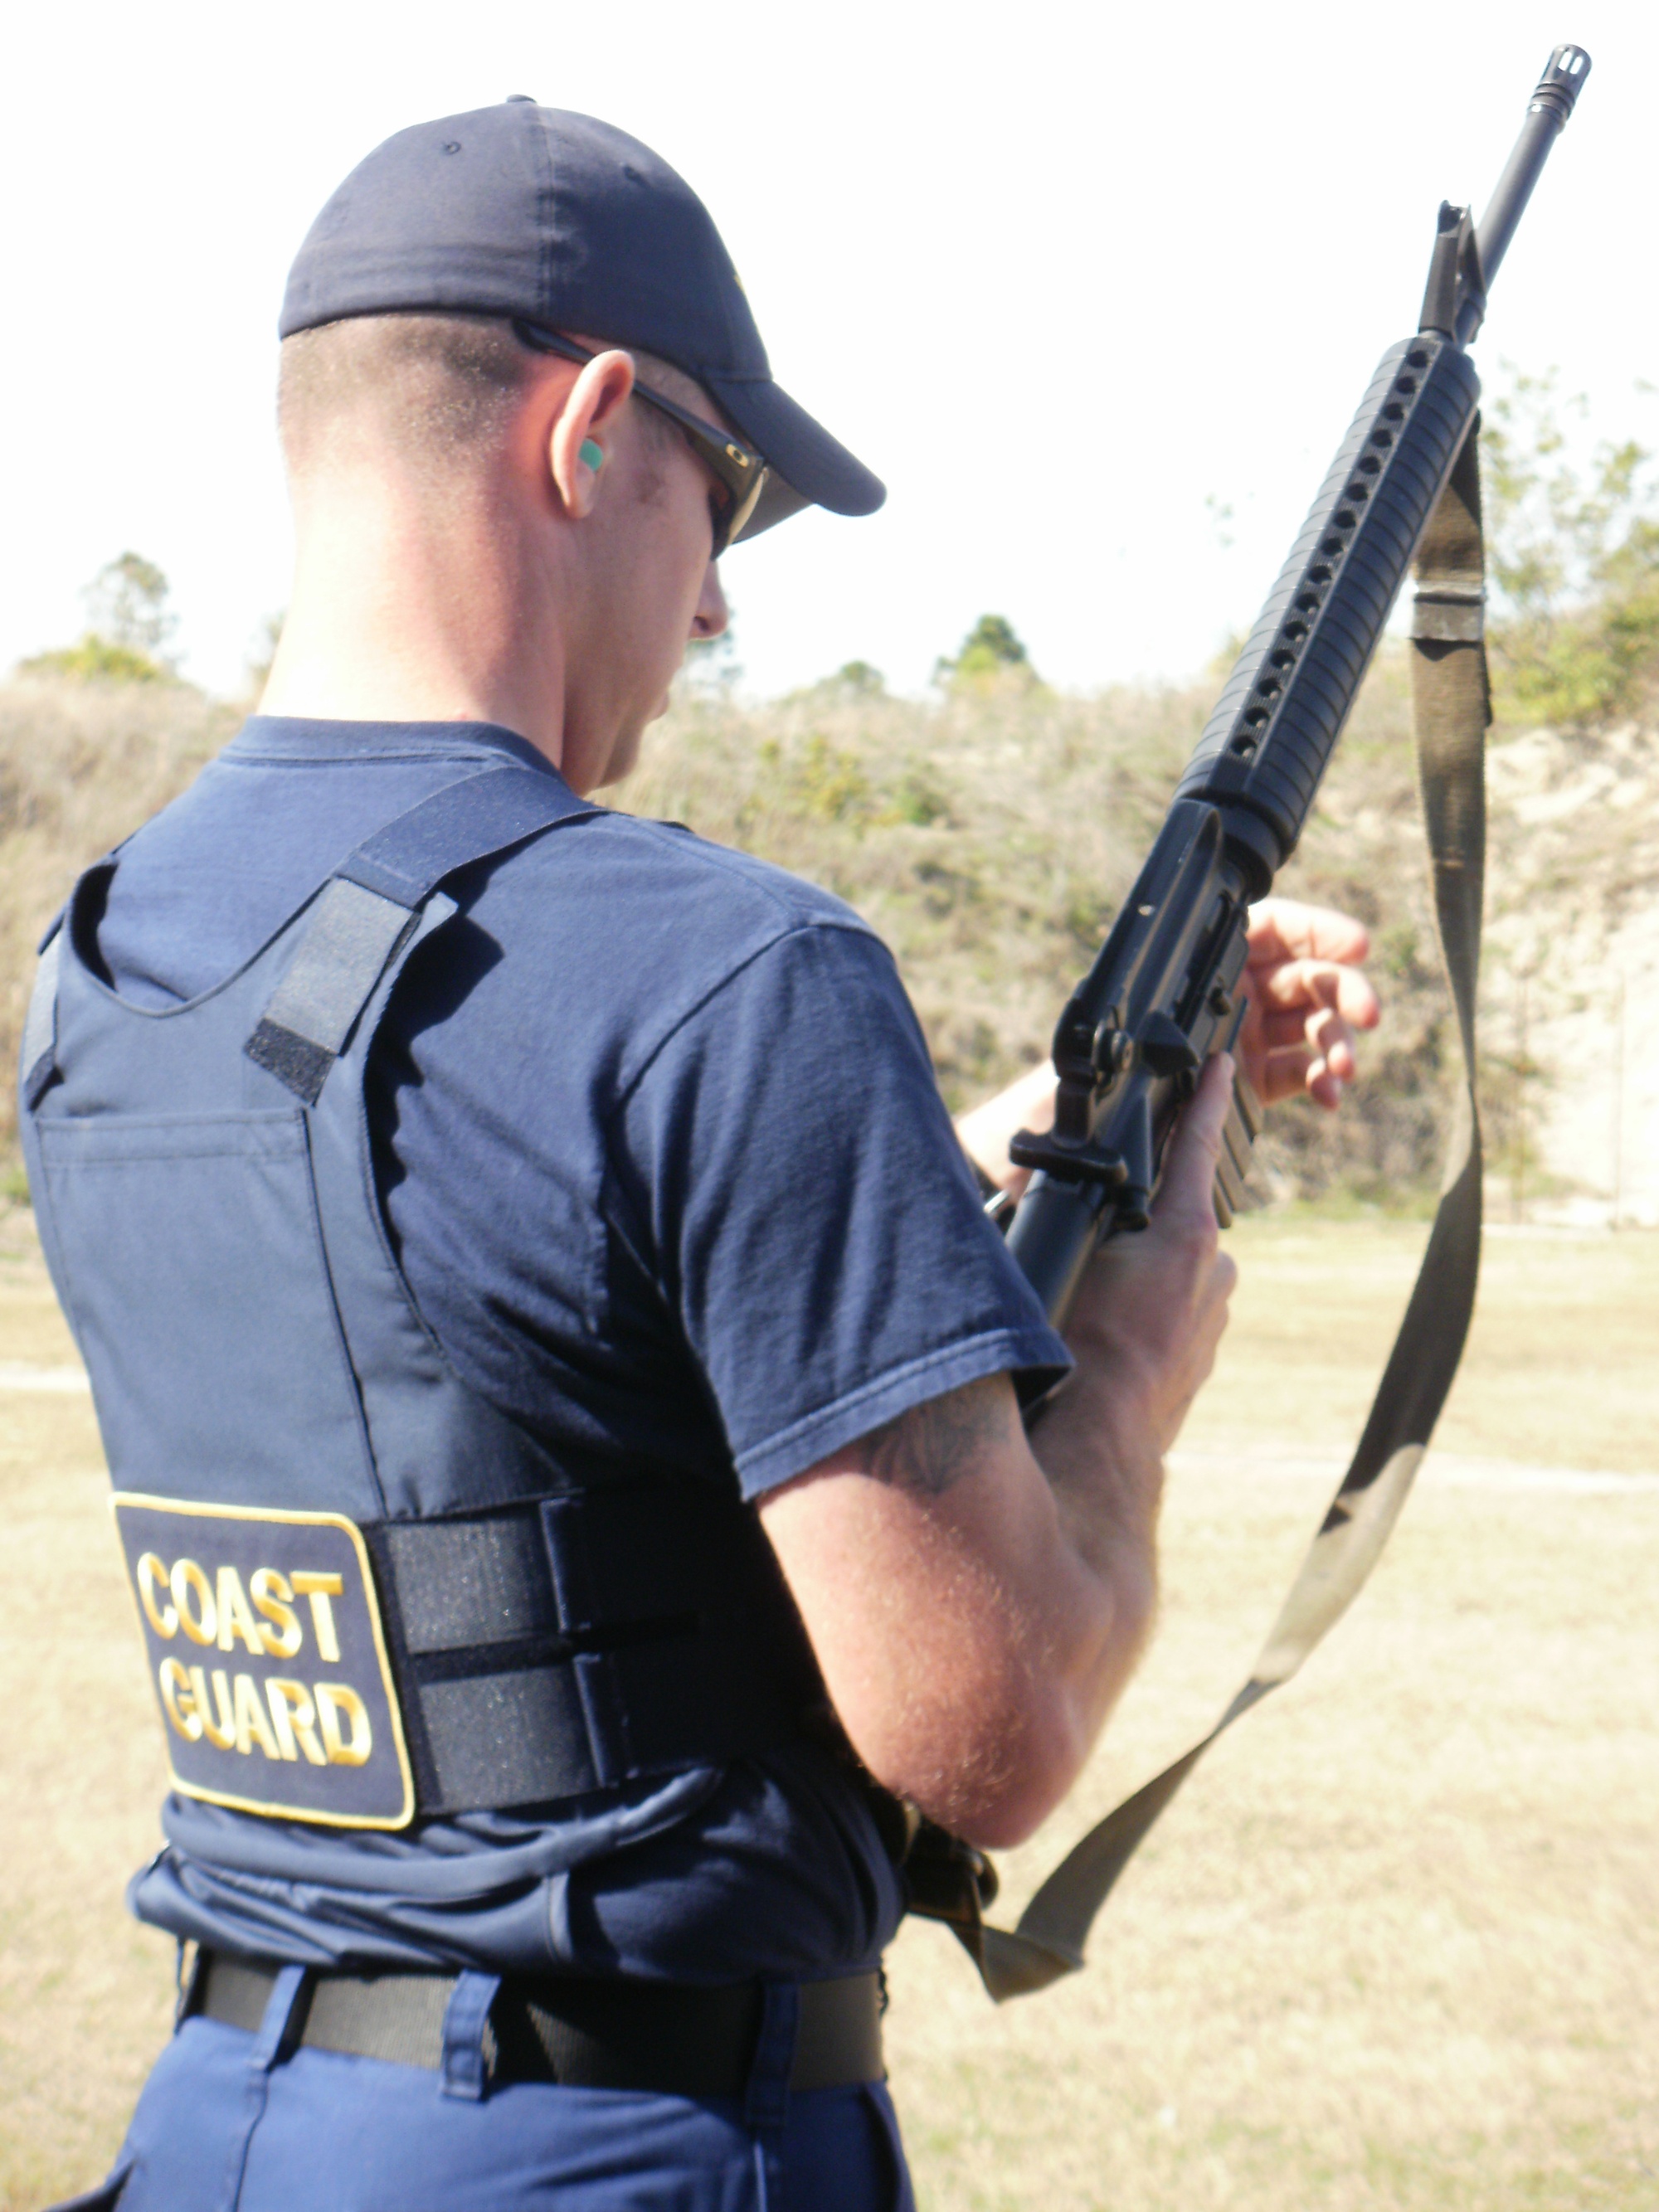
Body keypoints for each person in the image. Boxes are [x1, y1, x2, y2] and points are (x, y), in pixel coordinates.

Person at [26, 99, 1379, 2212]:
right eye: (722, 498)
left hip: (227, 2124)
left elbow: (519, 1292)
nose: (723, 602)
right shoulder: (727, 971)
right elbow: (988, 1726)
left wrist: (1051, 1126)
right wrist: (1133, 1361)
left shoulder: (117, 963)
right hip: (626, 2146)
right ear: (581, 434)